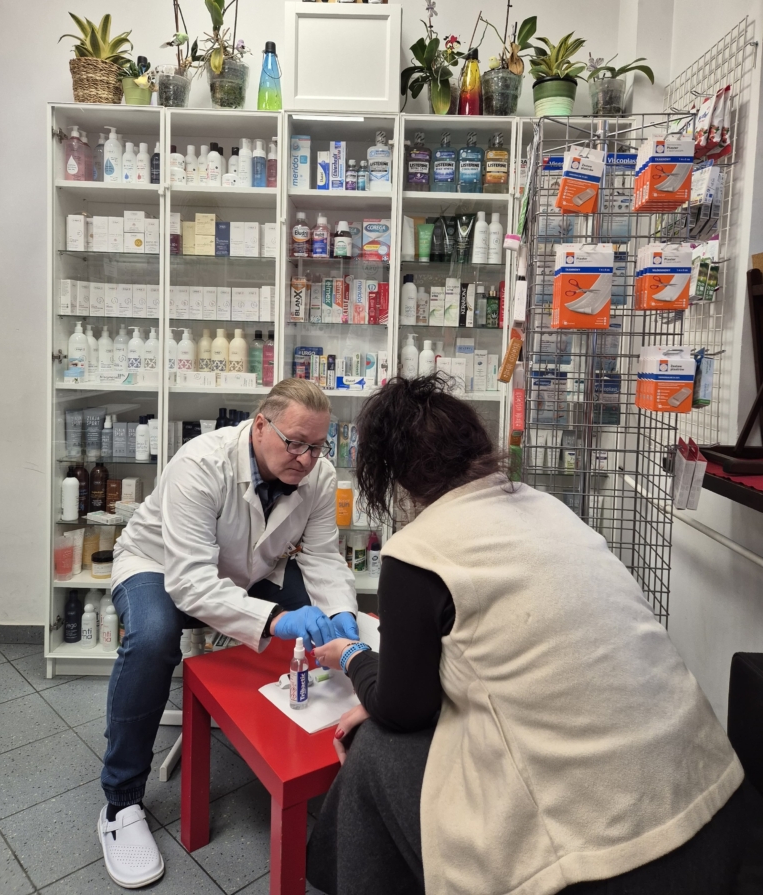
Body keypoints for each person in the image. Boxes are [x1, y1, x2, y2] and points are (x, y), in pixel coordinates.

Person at [309, 374, 749, 895]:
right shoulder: (548, 507)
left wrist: (356, 656)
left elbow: (403, 710)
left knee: (376, 746)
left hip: (613, 862)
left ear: (393, 478)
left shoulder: (417, 551)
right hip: (719, 803)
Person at [98, 380, 358, 889]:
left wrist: (343, 612)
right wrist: (275, 620)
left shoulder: (319, 475)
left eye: (317, 446)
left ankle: (309, 750)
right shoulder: (202, 463)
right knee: (152, 639)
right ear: (260, 426)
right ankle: (120, 802)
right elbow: (191, 582)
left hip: (244, 572)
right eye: (295, 443)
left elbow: (323, 556)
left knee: (322, 623)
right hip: (159, 565)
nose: (306, 459)